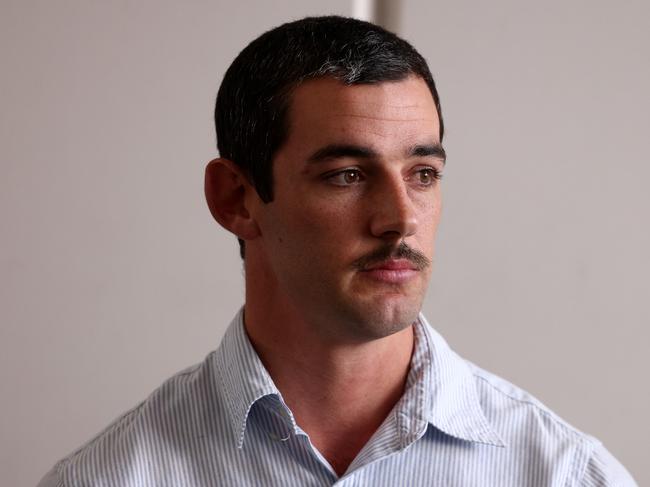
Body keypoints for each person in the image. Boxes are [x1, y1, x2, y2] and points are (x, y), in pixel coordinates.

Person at [38, 15, 636, 486]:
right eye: (348, 175)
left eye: (423, 173)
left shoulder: (565, 474)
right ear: (236, 199)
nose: (400, 218)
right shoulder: (109, 477)